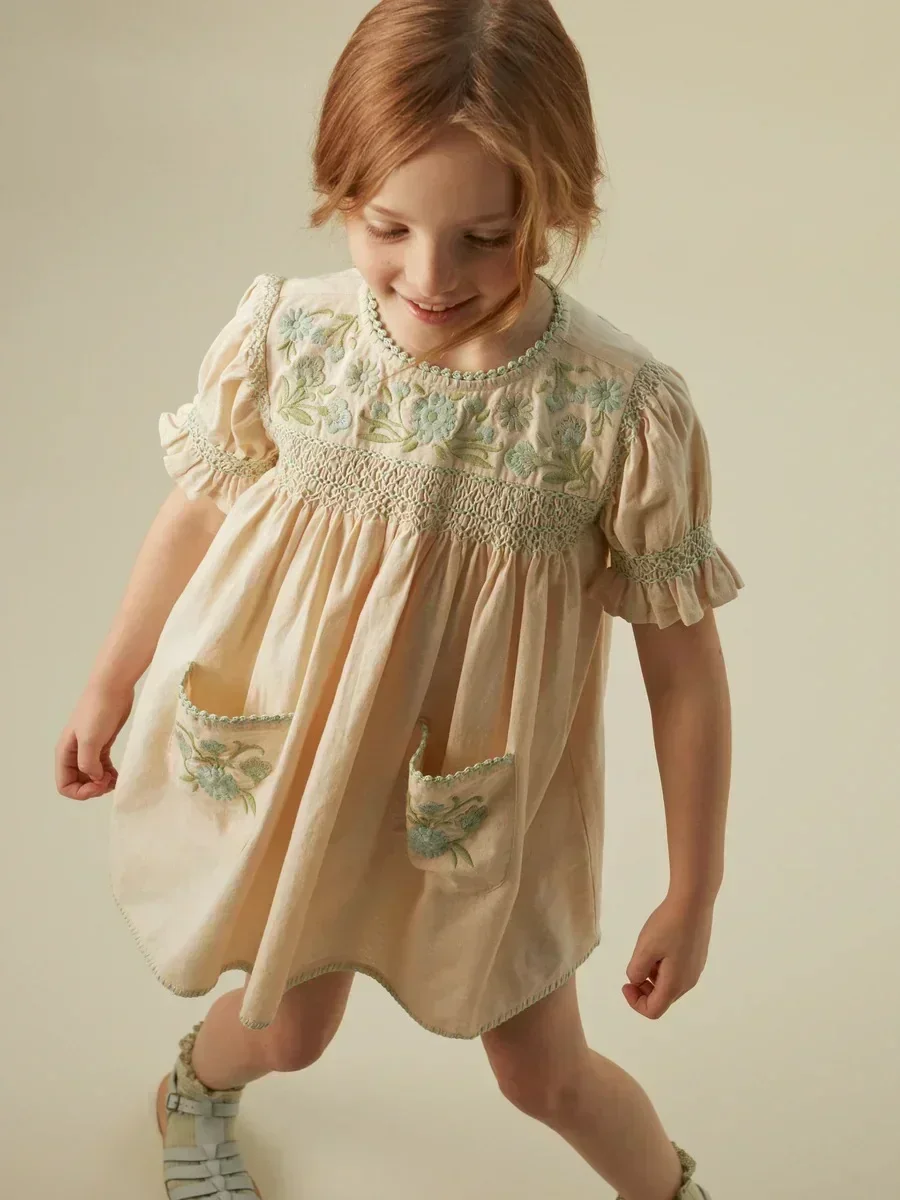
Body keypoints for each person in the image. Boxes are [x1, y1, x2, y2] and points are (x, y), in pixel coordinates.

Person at [55, 2, 742, 1198]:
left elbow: (682, 670)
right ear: (342, 192)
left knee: (545, 1074)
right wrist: (112, 677)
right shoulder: (296, 336)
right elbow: (200, 509)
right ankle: (195, 1090)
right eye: (388, 227)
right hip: (307, 758)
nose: (431, 277)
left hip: (479, 792)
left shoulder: (614, 409)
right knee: (287, 1028)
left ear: (556, 211)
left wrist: (695, 885)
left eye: (485, 238)